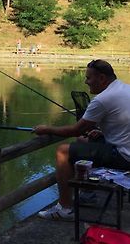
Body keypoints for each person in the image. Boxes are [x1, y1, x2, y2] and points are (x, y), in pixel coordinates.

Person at [33, 59, 130, 220]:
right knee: (82, 141)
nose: (86, 82)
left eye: (88, 78)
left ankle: (64, 208)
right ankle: (88, 194)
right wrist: (102, 133)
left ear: (102, 78)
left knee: (63, 151)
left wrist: (46, 129)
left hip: (124, 156)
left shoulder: (102, 99)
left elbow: (75, 129)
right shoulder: (125, 88)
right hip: (122, 148)